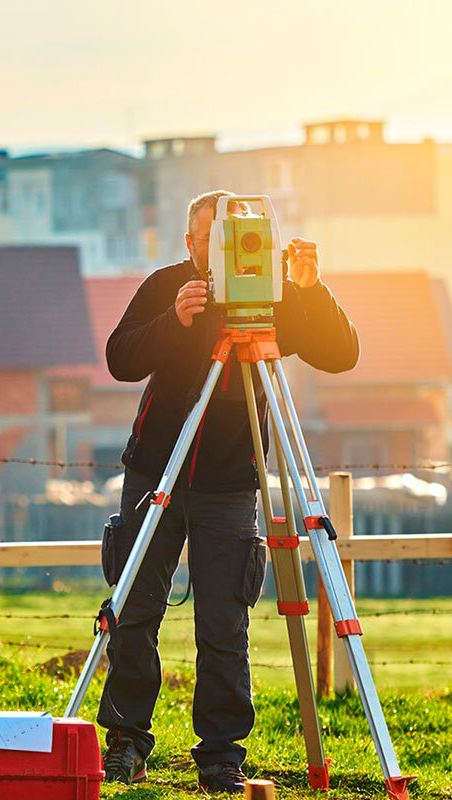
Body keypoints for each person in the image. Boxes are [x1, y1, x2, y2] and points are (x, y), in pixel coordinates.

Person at [99, 190, 359, 793]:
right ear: (190, 244)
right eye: (208, 238)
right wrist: (175, 321)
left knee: (224, 624)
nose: (221, 250)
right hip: (153, 474)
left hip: (230, 483)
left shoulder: (271, 293)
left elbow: (342, 354)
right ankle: (126, 744)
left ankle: (220, 756)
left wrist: (310, 289)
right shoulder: (168, 285)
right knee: (134, 612)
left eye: (234, 236)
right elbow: (119, 359)